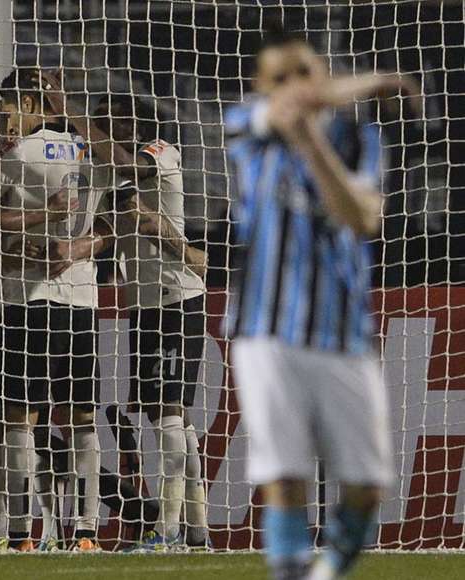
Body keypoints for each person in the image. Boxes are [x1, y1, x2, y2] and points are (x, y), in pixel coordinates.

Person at [224, 24, 417, 580]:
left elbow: (363, 218)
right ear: (260, 88)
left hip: (343, 334)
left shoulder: (358, 136)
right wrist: (377, 81)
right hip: (265, 331)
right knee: (284, 477)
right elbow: (287, 110)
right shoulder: (244, 127)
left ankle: (325, 572)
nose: (293, 87)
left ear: (325, 74)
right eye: (278, 78)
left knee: (366, 486)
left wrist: (314, 146)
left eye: (304, 72)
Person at [40, 75, 210, 549]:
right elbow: (109, 228)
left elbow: (120, 161)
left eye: (105, 121)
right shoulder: (117, 179)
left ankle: (167, 530)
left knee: (170, 416)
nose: (96, 130)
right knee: (165, 413)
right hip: (145, 305)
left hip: (179, 300)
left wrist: (68, 109)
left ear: (129, 123)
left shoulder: (160, 153)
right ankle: (196, 529)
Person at [0, 68, 115, 552]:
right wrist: (84, 245)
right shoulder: (90, 150)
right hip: (82, 300)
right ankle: (85, 532)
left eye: (10, 106)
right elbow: (113, 214)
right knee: (81, 417)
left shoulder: (17, 154)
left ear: (33, 102)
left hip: (30, 298)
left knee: (20, 417)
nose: (6, 117)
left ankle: (20, 535)